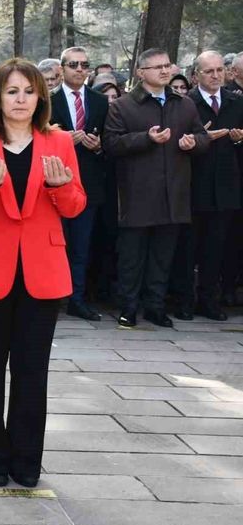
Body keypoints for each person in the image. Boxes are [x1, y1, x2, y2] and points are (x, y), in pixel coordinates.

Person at [0, 58, 86, 488]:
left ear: (41, 98)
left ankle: (27, 461)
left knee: (32, 373)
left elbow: (75, 206)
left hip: (42, 274)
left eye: (29, 91)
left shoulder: (59, 142)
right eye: (12, 91)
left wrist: (60, 186)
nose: (21, 99)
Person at [103, 48, 209, 328]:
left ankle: (155, 307)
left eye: (167, 66)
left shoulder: (184, 104)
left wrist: (193, 143)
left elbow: (202, 136)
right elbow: (111, 144)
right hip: (137, 195)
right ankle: (128, 308)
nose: (164, 71)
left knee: (162, 257)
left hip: (173, 194)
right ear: (141, 73)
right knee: (132, 257)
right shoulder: (123, 106)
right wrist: (145, 138)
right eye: (157, 67)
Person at [169, 51, 243, 321]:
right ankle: (183, 300)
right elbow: (174, 142)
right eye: (209, 71)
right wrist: (200, 139)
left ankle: (209, 300)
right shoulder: (185, 103)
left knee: (216, 248)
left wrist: (238, 139)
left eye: (219, 70)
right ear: (196, 75)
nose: (215, 75)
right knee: (188, 248)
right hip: (192, 184)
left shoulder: (236, 102)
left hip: (225, 186)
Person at [49, 47, 109, 321]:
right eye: (73, 65)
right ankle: (49, 298)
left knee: (81, 248)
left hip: (88, 184)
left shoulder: (100, 101)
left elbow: (111, 140)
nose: (80, 69)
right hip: (55, 182)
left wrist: (98, 146)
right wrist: (60, 141)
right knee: (54, 245)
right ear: (61, 69)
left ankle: (76, 298)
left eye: (85, 65)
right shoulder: (47, 100)